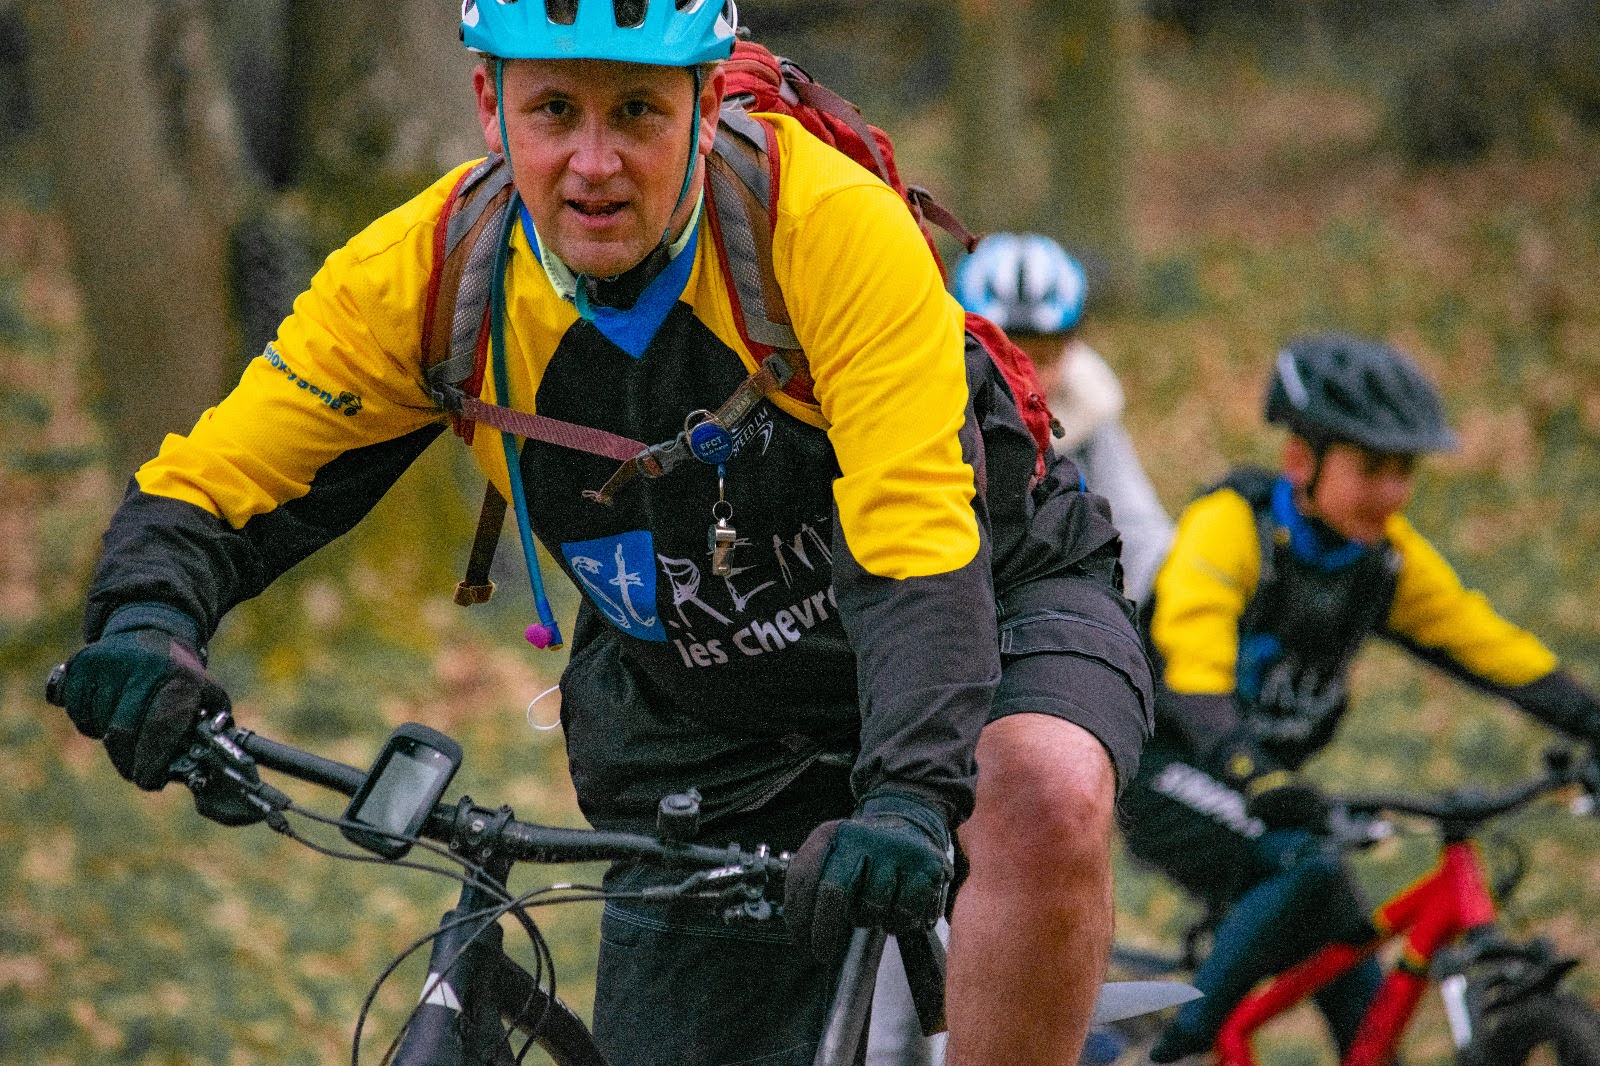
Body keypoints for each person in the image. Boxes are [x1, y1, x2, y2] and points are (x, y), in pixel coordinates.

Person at [53, 2, 1152, 1064]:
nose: (592, 162)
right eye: (552, 113)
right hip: (705, 712)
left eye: (636, 111)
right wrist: (148, 615)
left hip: (985, 602)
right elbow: (222, 476)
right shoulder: (429, 276)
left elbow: (915, 535)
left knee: (1042, 788)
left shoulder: (822, 228)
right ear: (489, 104)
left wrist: (912, 790)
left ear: (707, 101)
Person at [1119, 332, 1600, 1062]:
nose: (1392, 491)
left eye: (1403, 470)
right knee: (1305, 865)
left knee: (1354, 973)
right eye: (1371, 467)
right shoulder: (1230, 527)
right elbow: (1193, 671)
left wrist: (1589, 717)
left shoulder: (1381, 559)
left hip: (1268, 794)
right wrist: (1246, 769)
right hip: (1169, 770)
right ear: (1299, 460)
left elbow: (1482, 641)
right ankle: (1172, 1050)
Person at [867, 233, 1175, 1066]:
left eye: (1047, 348)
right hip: (931, 658)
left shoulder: (1091, 416)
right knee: (909, 895)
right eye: (1012, 342)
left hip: (1044, 663)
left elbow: (1143, 539)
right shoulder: (920, 385)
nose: (1027, 364)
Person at [953, 233, 1173, 603]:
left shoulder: (1091, 412)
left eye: (1045, 355)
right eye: (1003, 351)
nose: (1024, 374)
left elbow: (1140, 530)